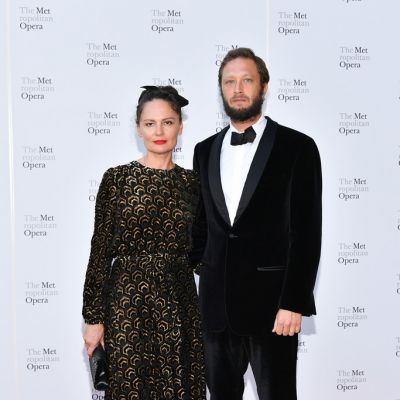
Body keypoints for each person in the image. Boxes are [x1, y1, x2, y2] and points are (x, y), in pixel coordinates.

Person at [190, 47, 322, 400]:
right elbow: (201, 228)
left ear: (263, 86)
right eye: (229, 81)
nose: (237, 89)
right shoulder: (204, 150)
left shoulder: (297, 147)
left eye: (247, 80)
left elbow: (307, 232)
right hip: (215, 310)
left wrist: (294, 302)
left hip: (273, 309)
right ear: (220, 89)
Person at [82, 86, 206, 400]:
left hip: (179, 304)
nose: (159, 132)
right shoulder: (117, 179)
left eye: (168, 122)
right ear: (138, 128)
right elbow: (100, 251)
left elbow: (202, 253)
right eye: (150, 123)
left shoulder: (194, 183)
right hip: (126, 306)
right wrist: (93, 319)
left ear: (180, 126)